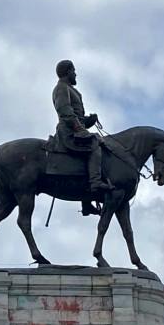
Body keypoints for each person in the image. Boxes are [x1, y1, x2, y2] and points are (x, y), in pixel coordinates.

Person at [50, 59, 109, 213]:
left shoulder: (70, 89)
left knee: (87, 150)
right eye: (74, 70)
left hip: (75, 129)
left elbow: (78, 117)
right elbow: (64, 111)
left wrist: (89, 121)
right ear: (68, 71)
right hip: (68, 132)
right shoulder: (61, 88)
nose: (75, 74)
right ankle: (95, 182)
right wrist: (78, 128)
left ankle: (86, 202)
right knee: (94, 143)